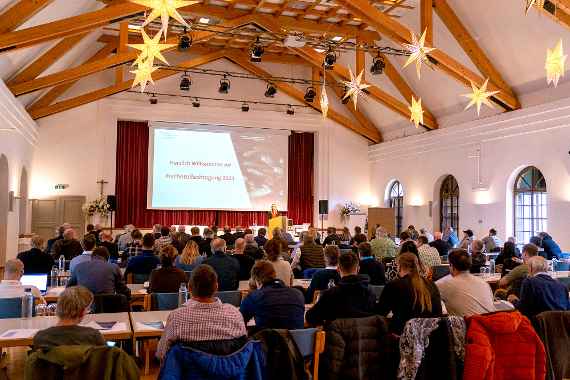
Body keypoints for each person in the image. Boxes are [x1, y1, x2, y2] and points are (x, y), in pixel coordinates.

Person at [156, 265, 247, 359]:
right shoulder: (235, 314)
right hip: (228, 372)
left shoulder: (176, 317)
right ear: (216, 287)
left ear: (189, 288)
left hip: (188, 372)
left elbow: (161, 354)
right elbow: (243, 352)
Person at [376, 253, 442, 334]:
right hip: (429, 336)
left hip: (401, 336)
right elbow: (438, 313)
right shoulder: (431, 284)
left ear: (399, 267)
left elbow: (381, 312)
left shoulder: (394, 285)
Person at [306, 252, 376, 326]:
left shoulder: (330, 294)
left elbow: (310, 317)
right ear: (358, 269)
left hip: (336, 336)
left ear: (338, 269)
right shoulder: (370, 292)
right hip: (365, 335)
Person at [240, 261, 305, 331]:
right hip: (298, 341)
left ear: (256, 280)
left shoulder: (254, 297)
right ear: (274, 274)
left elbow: (239, 321)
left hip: (268, 340)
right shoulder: (298, 294)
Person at [32, 286, 105, 348]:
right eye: (88, 309)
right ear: (82, 312)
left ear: (58, 307)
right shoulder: (94, 337)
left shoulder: (41, 338)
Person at [436, 249, 495, 317]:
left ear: (451, 266)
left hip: (467, 325)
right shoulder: (484, 283)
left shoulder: (444, 284)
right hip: (489, 324)